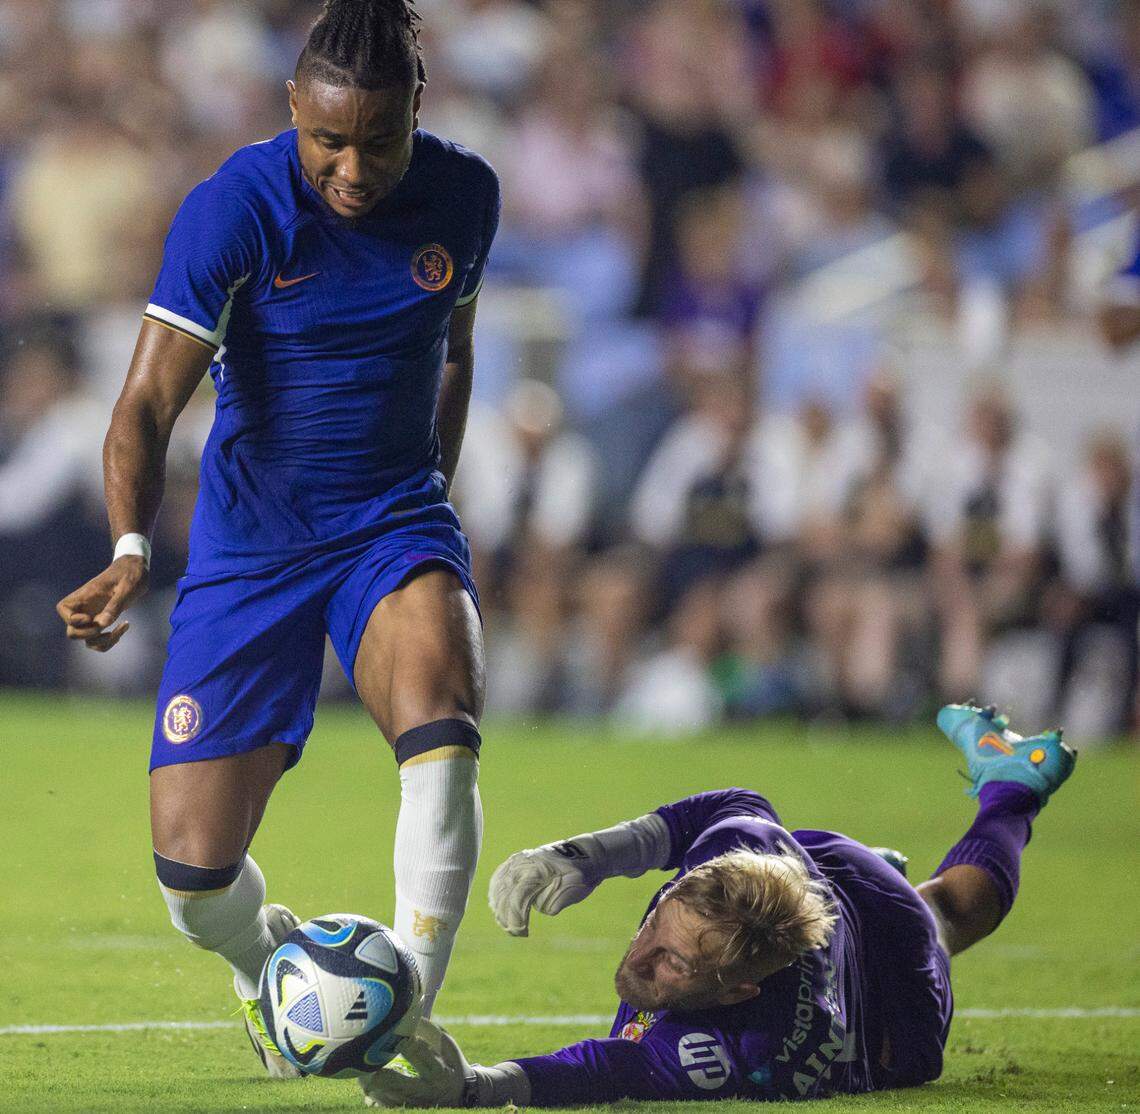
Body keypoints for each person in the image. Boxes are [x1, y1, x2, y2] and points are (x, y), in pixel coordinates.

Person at [53, 0, 500, 1078]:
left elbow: (455, 352)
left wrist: (430, 490)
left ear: (415, 112)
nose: (353, 167)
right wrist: (127, 548)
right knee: (193, 880)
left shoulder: (465, 196)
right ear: (292, 106)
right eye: (329, 140)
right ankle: (269, 969)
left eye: (379, 140)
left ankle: (409, 1016)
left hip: (391, 519)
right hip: (253, 544)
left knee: (442, 723)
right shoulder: (233, 209)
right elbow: (146, 404)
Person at [361, 702, 1075, 1106]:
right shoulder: (734, 859)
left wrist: (476, 1089)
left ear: (736, 989)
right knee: (828, 883)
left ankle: (1015, 784)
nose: (642, 955)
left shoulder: (738, 1048)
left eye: (673, 963)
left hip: (891, 984)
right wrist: (586, 856)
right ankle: (860, 881)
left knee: (945, 915)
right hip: (819, 872)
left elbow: (610, 1068)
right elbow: (737, 804)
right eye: (656, 923)